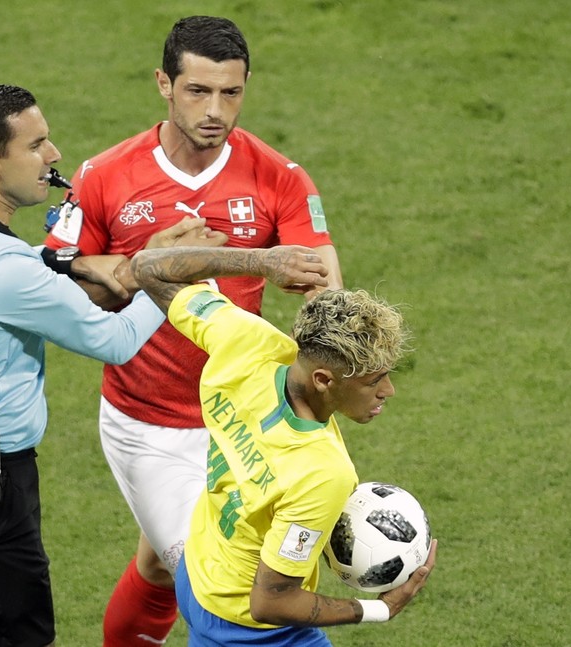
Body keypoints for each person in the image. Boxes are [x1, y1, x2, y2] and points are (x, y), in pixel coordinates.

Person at [43, 15, 344, 646]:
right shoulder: (106, 176)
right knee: (221, 587)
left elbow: (326, 289)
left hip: (244, 415)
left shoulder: (279, 177)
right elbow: (61, 280)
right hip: (149, 423)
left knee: (160, 563)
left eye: (230, 93)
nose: (214, 110)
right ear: (164, 84)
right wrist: (146, 263)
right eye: (197, 91)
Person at [0, 83, 219, 647]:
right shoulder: (4, 274)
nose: (53, 157)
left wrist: (79, 261)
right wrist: (167, 275)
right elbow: (118, 341)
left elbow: (21, 260)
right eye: (37, 145)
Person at [129, 245, 438, 646]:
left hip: (200, 572)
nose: (388, 391)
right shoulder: (322, 473)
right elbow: (270, 601)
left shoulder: (245, 340)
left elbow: (148, 268)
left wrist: (260, 263)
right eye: (372, 381)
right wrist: (382, 608)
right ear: (324, 380)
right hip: (250, 630)